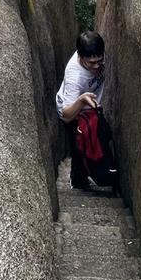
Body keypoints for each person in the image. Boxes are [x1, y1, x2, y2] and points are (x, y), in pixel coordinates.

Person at [56, 30, 113, 190]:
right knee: (79, 147)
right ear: (80, 57)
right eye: (91, 63)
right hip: (73, 111)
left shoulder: (93, 52)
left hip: (90, 109)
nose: (96, 66)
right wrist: (81, 100)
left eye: (99, 61)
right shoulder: (75, 76)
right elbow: (66, 114)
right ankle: (78, 181)